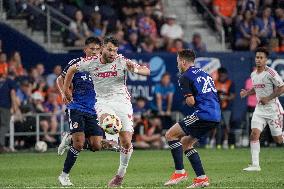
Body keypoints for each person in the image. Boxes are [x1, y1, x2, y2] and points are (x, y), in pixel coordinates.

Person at [63, 36, 150, 187]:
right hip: (103, 102)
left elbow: (146, 71)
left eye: (115, 50)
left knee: (127, 142)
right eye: (109, 49)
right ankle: (109, 136)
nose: (112, 53)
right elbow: (71, 70)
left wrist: (134, 68)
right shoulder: (90, 62)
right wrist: (65, 90)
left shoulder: (121, 60)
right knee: (108, 121)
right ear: (103, 48)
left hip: (122, 102)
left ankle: (119, 176)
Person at [56, 37, 115, 186]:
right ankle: (64, 175)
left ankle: (69, 139)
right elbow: (59, 79)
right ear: (85, 50)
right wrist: (64, 93)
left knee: (96, 145)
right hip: (76, 107)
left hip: (94, 111)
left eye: (97, 49)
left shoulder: (104, 67)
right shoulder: (76, 63)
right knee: (79, 143)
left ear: (101, 50)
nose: (94, 52)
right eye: (91, 49)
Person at [164, 49, 221, 188]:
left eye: (178, 61)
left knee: (170, 135)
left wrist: (189, 100)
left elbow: (191, 102)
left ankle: (180, 172)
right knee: (186, 143)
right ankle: (202, 179)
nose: (177, 64)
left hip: (203, 113)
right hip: (216, 114)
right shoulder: (204, 73)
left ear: (183, 61)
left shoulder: (184, 76)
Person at [240, 47, 284, 171]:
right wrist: (247, 93)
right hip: (259, 110)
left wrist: (269, 97)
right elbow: (256, 88)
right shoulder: (253, 74)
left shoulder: (271, 73)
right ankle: (255, 165)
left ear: (266, 60)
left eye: (261, 58)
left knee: (278, 140)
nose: (258, 60)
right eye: (257, 57)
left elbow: (282, 88)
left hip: (273, 110)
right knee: (254, 134)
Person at [0, 71, 18, 153]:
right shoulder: (10, 82)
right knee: (4, 126)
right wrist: (15, 108)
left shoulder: (2, 82)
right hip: (4, 107)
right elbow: (13, 93)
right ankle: (1, 146)